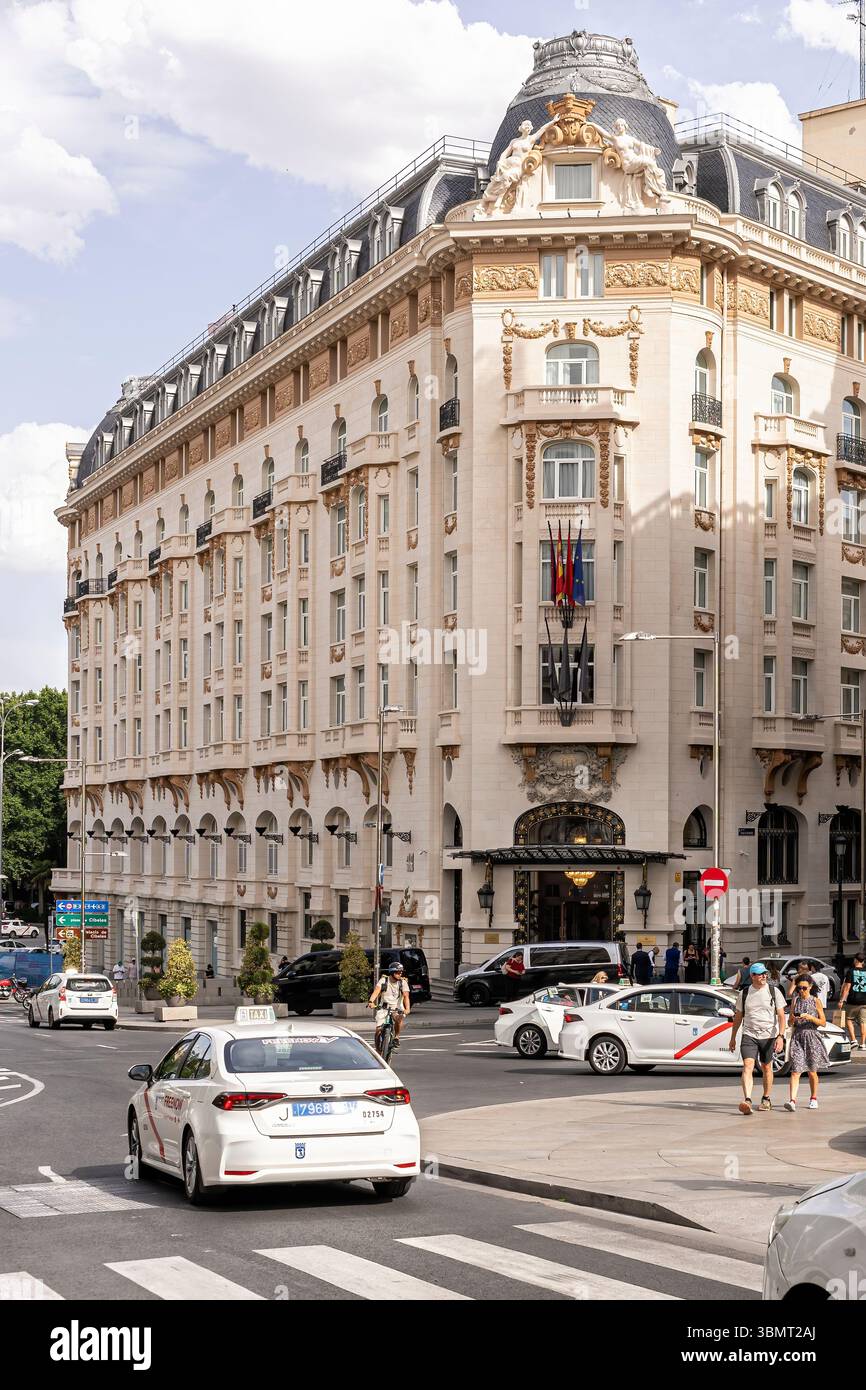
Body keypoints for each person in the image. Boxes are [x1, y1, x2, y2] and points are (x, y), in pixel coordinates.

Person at [728, 963, 787, 1114]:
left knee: (767, 1067)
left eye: (765, 974)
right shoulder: (745, 993)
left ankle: (766, 1098)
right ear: (752, 976)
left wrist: (780, 1036)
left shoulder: (774, 991)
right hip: (749, 1034)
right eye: (760, 974)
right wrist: (733, 1037)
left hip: (768, 1036)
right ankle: (747, 1099)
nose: (763, 976)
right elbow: (738, 1016)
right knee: (747, 1066)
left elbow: (781, 1016)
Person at [784, 975, 829, 1111]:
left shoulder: (816, 1001)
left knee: (812, 1071)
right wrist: (792, 1018)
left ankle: (813, 1098)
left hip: (812, 1037)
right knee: (795, 1070)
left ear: (810, 986)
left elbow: (823, 1022)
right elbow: (790, 1022)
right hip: (798, 1037)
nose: (801, 991)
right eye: (799, 988)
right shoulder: (795, 1000)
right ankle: (792, 1101)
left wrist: (810, 1017)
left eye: (804, 988)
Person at [368, 959, 410, 1048]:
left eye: (401, 972)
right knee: (378, 1030)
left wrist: (407, 1009)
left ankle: (396, 1037)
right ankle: (378, 1050)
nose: (400, 974)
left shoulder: (403, 982)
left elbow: (406, 996)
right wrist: (371, 1002)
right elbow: (376, 992)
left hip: (396, 1007)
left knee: (398, 1018)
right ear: (392, 972)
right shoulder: (384, 980)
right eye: (398, 972)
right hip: (384, 1007)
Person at [840, 952, 866, 1049]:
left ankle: (854, 1040)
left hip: (853, 1001)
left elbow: (847, 987)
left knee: (849, 1019)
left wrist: (842, 1000)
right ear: (863, 962)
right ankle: (863, 1044)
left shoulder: (850, 971)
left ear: (855, 960)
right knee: (864, 1022)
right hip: (864, 1001)